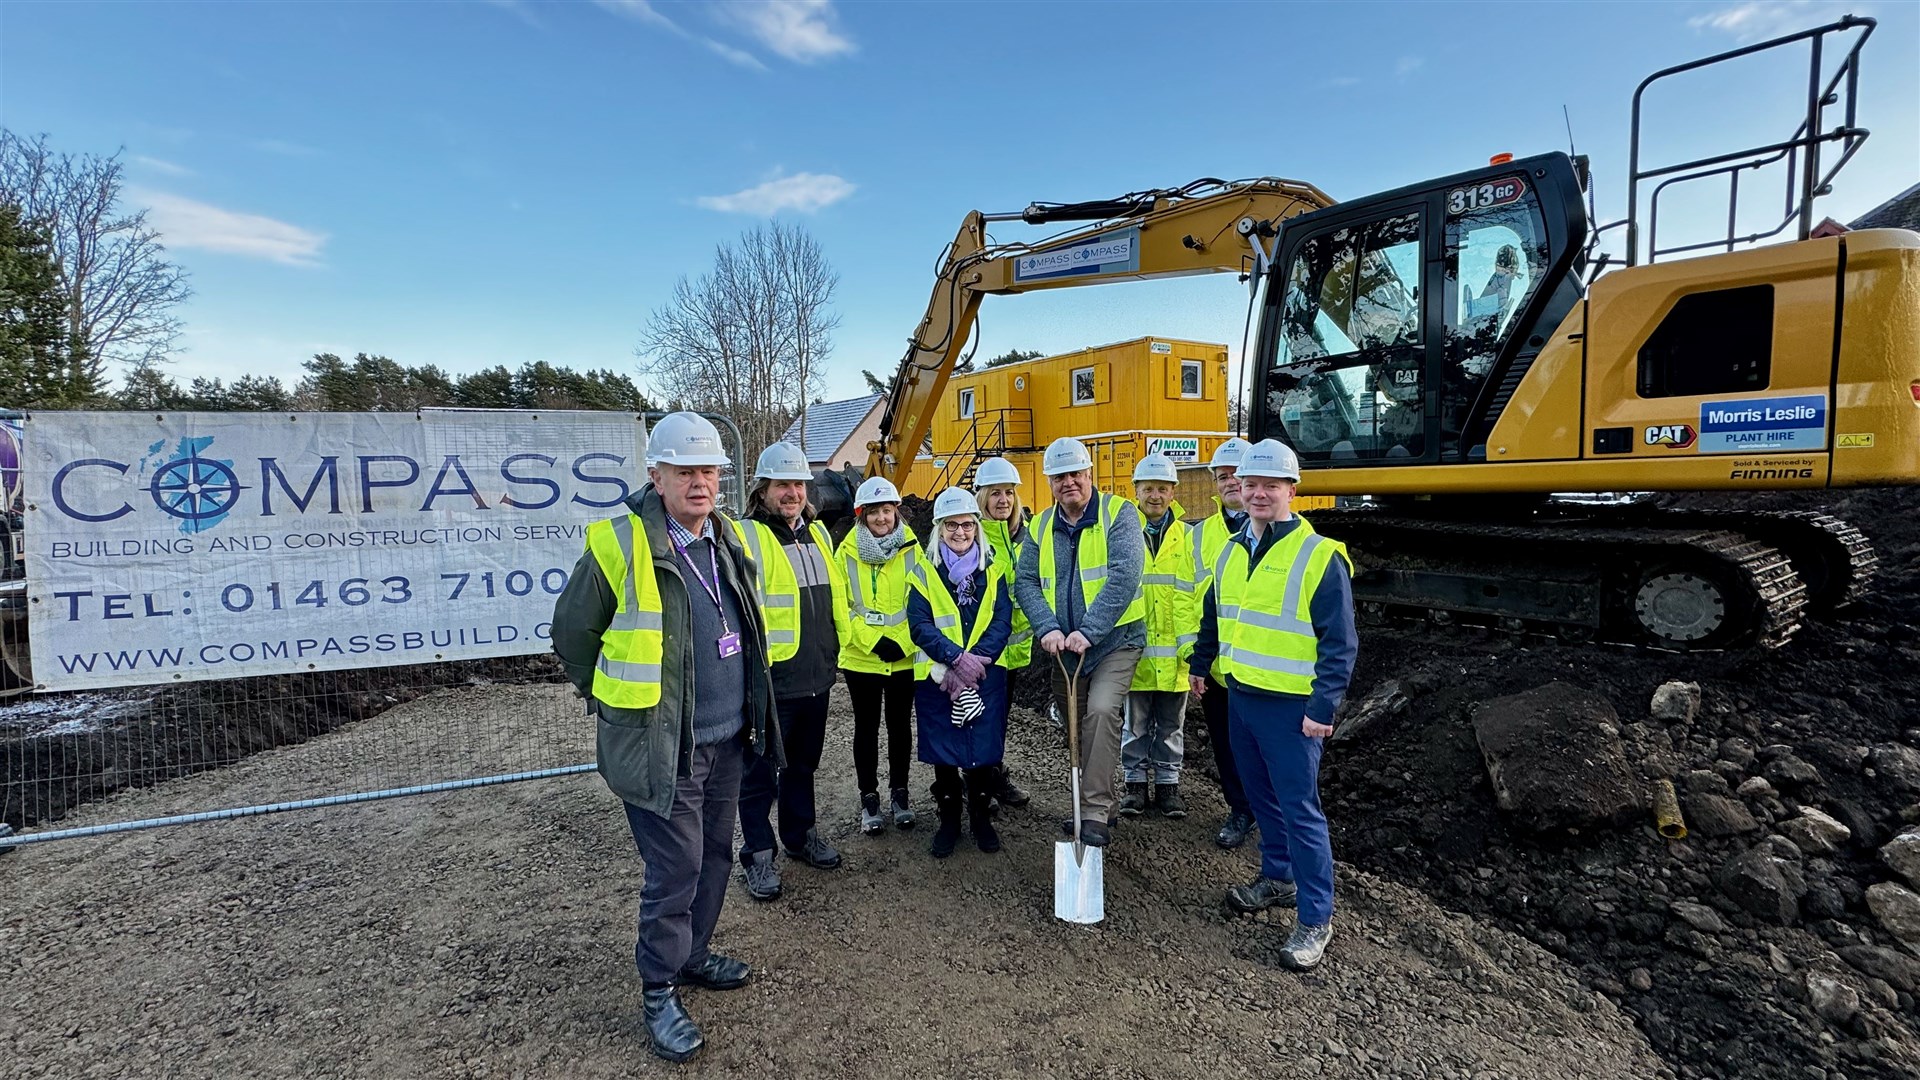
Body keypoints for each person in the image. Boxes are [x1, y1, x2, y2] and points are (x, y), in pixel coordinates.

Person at [550, 411, 780, 1062]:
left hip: (728, 736)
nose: (700, 483)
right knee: (673, 869)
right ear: (656, 475)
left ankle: (693, 955)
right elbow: (572, 636)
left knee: (714, 856)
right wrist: (611, 702)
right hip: (664, 743)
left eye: (709, 471)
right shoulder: (620, 542)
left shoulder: (728, 538)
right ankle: (658, 989)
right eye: (686, 471)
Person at [1189, 439, 1357, 972]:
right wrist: (1201, 663)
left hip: (1292, 709)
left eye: (1270, 485)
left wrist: (1323, 707)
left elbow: (1340, 643)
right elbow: (1216, 615)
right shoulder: (1231, 549)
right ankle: (1277, 877)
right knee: (1261, 799)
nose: (1257, 493)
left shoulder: (1318, 556)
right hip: (1241, 695)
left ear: (1291, 490)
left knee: (1299, 809)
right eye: (1250, 484)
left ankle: (1315, 917)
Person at [732, 442, 850, 902]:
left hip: (816, 673)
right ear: (762, 489)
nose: (793, 492)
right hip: (769, 678)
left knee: (803, 765)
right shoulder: (744, 536)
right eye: (783, 484)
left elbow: (835, 600)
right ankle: (759, 855)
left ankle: (801, 837)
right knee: (759, 773)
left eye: (799, 484)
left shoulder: (818, 535)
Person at [1014, 436, 1145, 847]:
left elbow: (1125, 576)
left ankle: (1092, 814)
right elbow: (1026, 581)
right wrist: (1047, 627)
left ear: (1090, 474)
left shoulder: (1119, 514)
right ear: (1050, 482)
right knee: (1076, 725)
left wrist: (1088, 631)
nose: (1069, 482)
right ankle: (1095, 804)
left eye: (1076, 473)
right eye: (1060, 477)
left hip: (1115, 641)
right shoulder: (1039, 527)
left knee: (1102, 712)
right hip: (1063, 649)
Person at [906, 488, 1014, 857]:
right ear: (939, 528)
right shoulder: (924, 570)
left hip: (984, 675)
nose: (961, 533)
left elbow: (1002, 620)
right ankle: (949, 817)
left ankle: (981, 816)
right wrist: (954, 658)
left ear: (976, 527)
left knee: (983, 749)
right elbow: (919, 624)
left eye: (967, 525)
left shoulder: (992, 568)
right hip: (939, 677)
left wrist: (974, 662)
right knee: (945, 750)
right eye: (952, 525)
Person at [836, 476, 921, 835]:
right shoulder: (846, 552)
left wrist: (904, 640)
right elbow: (841, 607)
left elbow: (922, 600)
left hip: (904, 654)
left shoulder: (914, 549)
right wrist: (873, 641)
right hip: (862, 657)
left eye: (887, 510)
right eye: (874, 512)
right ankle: (869, 798)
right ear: (862, 515)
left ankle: (899, 794)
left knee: (901, 726)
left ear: (896, 511)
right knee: (866, 728)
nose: (882, 518)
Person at [1118, 454, 1199, 819]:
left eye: (1162, 488)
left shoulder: (1188, 537)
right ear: (1135, 491)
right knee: (1134, 725)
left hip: (1175, 656)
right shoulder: (1122, 532)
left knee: (1170, 727)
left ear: (1172, 492)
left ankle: (1168, 787)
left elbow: (1194, 593)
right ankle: (1134, 786)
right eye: (1148, 488)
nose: (1155, 495)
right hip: (1133, 651)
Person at [1189, 437, 1258, 848]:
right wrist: (1198, 658)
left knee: (1267, 749)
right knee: (1227, 745)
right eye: (1222, 476)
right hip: (1218, 664)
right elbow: (1194, 597)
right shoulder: (1201, 536)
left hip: (1265, 666)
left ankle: (1272, 815)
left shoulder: (1280, 529)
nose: (1230, 482)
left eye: (1237, 474)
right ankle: (1240, 810)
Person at [972, 455, 1032, 809]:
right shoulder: (974, 537)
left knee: (999, 719)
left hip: (1012, 649)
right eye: (995, 493)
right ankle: (977, 780)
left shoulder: (1024, 537)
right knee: (979, 717)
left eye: (1009, 493)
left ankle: (992, 775)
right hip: (983, 651)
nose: (1004, 500)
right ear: (982, 497)